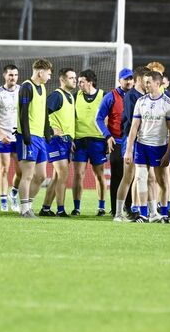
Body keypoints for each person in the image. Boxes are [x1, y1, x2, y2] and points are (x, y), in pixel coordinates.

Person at [123, 70, 170, 222]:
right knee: (141, 178)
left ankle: (164, 212)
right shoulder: (141, 102)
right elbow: (134, 127)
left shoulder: (169, 104)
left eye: (148, 82)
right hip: (142, 144)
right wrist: (128, 149)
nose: (145, 84)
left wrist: (168, 153)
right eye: (145, 81)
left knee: (163, 180)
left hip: (160, 146)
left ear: (157, 83)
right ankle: (146, 213)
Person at [16, 59, 53, 218]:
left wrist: (47, 131)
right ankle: (24, 209)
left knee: (41, 176)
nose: (49, 77)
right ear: (40, 72)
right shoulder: (26, 87)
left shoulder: (43, 88)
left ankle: (28, 206)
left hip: (40, 137)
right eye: (49, 74)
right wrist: (26, 135)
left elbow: (44, 112)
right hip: (28, 136)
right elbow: (23, 113)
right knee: (28, 175)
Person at [95, 68, 134, 216]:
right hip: (117, 141)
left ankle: (130, 208)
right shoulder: (110, 96)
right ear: (120, 81)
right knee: (117, 175)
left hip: (132, 141)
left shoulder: (137, 95)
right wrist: (107, 136)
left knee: (131, 175)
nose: (129, 81)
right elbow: (98, 118)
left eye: (131, 78)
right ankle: (115, 208)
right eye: (126, 79)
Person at [114, 66, 149, 220]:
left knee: (143, 177)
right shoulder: (131, 96)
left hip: (144, 140)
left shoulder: (147, 96)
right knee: (128, 176)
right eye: (146, 79)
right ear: (140, 79)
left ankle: (142, 212)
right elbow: (132, 119)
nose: (148, 82)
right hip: (131, 140)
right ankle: (118, 213)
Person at [40, 68, 77, 217]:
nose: (74, 80)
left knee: (57, 177)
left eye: (75, 77)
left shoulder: (70, 96)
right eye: (71, 78)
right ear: (62, 80)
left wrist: (71, 138)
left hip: (66, 141)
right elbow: (42, 112)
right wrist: (49, 130)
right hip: (56, 141)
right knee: (63, 174)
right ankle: (61, 210)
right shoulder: (57, 95)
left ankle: (46, 208)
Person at [71, 69, 108, 216]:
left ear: (90, 82)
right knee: (78, 174)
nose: (78, 84)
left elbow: (108, 119)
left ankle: (101, 207)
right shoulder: (75, 97)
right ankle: (77, 207)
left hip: (98, 141)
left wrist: (107, 138)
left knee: (99, 174)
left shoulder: (103, 96)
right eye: (78, 81)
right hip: (80, 141)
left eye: (81, 82)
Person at [0, 64, 21, 212]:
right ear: (5, 76)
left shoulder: (22, 91)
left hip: (18, 137)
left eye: (15, 75)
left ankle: (14, 194)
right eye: (10, 75)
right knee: (4, 169)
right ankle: (4, 201)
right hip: (2, 136)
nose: (13, 78)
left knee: (21, 171)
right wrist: (1, 134)